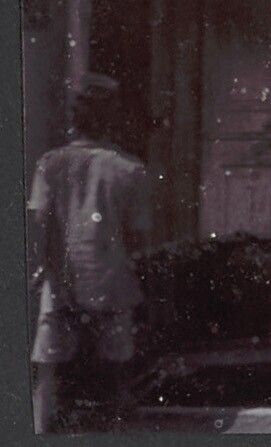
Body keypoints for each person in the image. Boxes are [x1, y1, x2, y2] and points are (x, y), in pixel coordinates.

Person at [29, 75, 151, 434]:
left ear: (73, 119)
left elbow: (40, 227)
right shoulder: (129, 169)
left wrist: (45, 270)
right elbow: (138, 235)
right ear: (111, 120)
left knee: (48, 370)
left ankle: (37, 431)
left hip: (61, 281)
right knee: (115, 372)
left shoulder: (49, 164)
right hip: (110, 281)